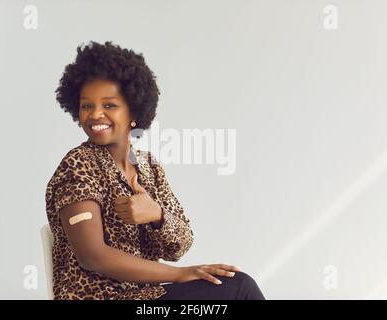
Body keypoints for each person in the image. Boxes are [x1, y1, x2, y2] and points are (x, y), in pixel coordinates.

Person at [45, 40, 265, 300]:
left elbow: (180, 245)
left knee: (235, 283)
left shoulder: (149, 167)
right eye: (87, 105)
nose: (95, 115)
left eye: (109, 105)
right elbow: (93, 256)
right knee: (239, 288)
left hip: (148, 298)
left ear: (133, 111)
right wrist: (178, 274)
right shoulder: (78, 165)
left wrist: (157, 215)